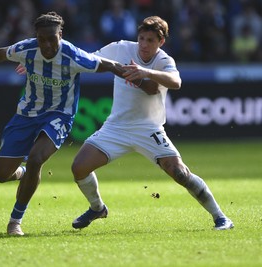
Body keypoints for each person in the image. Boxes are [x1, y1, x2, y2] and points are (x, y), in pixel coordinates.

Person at [0, 11, 126, 236]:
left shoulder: (72, 55)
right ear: (36, 36)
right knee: (2, 175)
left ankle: (15, 221)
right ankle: (24, 173)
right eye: (41, 39)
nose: (46, 44)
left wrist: (135, 76)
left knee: (37, 158)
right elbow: (1, 53)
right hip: (26, 115)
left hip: (60, 116)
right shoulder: (27, 49)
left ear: (61, 35)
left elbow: (107, 64)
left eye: (51, 38)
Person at [71, 16, 234, 231]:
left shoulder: (164, 60)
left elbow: (176, 82)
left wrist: (145, 72)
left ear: (161, 42)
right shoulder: (121, 48)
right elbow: (86, 60)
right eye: (141, 39)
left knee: (179, 173)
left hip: (148, 129)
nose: (144, 45)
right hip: (116, 127)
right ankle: (97, 207)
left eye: (150, 40)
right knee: (78, 168)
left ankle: (221, 218)